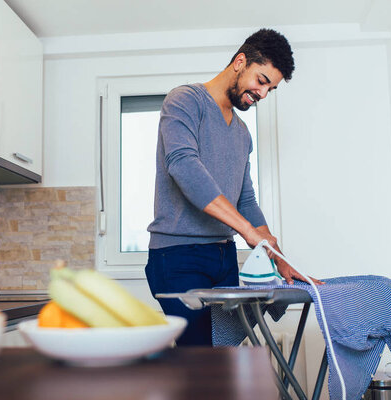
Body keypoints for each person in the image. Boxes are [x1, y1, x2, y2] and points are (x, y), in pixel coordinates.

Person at [145, 28, 321, 346]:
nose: (263, 94)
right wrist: (247, 232)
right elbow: (184, 167)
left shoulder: (242, 133)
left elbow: (246, 200)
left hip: (223, 257)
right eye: (262, 81)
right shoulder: (184, 101)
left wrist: (279, 258)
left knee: (223, 352)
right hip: (178, 256)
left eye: (271, 89)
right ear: (240, 62)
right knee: (200, 357)